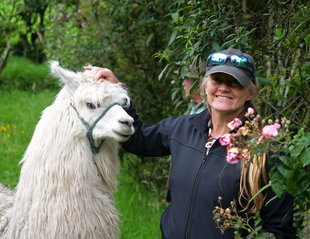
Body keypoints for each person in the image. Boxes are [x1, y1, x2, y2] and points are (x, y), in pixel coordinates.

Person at [86, 48, 293, 238]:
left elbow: (277, 229)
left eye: (234, 83)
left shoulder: (264, 151)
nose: (223, 88)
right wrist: (117, 90)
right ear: (205, 85)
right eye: (217, 80)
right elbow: (138, 140)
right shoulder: (183, 128)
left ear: (250, 92)